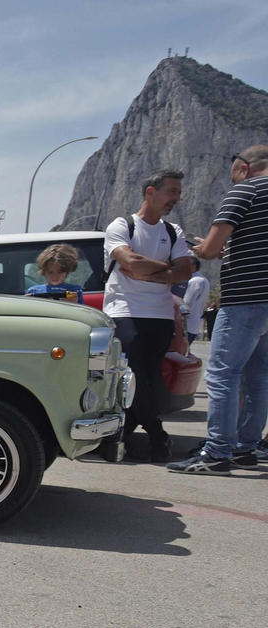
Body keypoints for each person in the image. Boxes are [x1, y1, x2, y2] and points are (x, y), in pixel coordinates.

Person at [169, 146, 268, 474]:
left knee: (224, 375)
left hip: (244, 299)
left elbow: (210, 248)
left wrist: (204, 250)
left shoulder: (246, 190)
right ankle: (246, 448)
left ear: (243, 167)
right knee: (259, 376)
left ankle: (217, 454)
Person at [103, 170, 197, 462]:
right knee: (135, 376)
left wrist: (146, 270)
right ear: (150, 192)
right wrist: (165, 269)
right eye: (171, 192)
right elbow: (128, 261)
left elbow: (185, 270)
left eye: (178, 193)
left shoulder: (173, 231)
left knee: (144, 379)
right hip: (125, 311)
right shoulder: (122, 225)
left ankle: (121, 438)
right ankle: (157, 435)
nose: (176, 199)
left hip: (160, 315)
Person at [179, 271, 209, 344]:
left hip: (188, 321)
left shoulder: (194, 281)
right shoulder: (204, 280)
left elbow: (188, 302)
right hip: (196, 321)